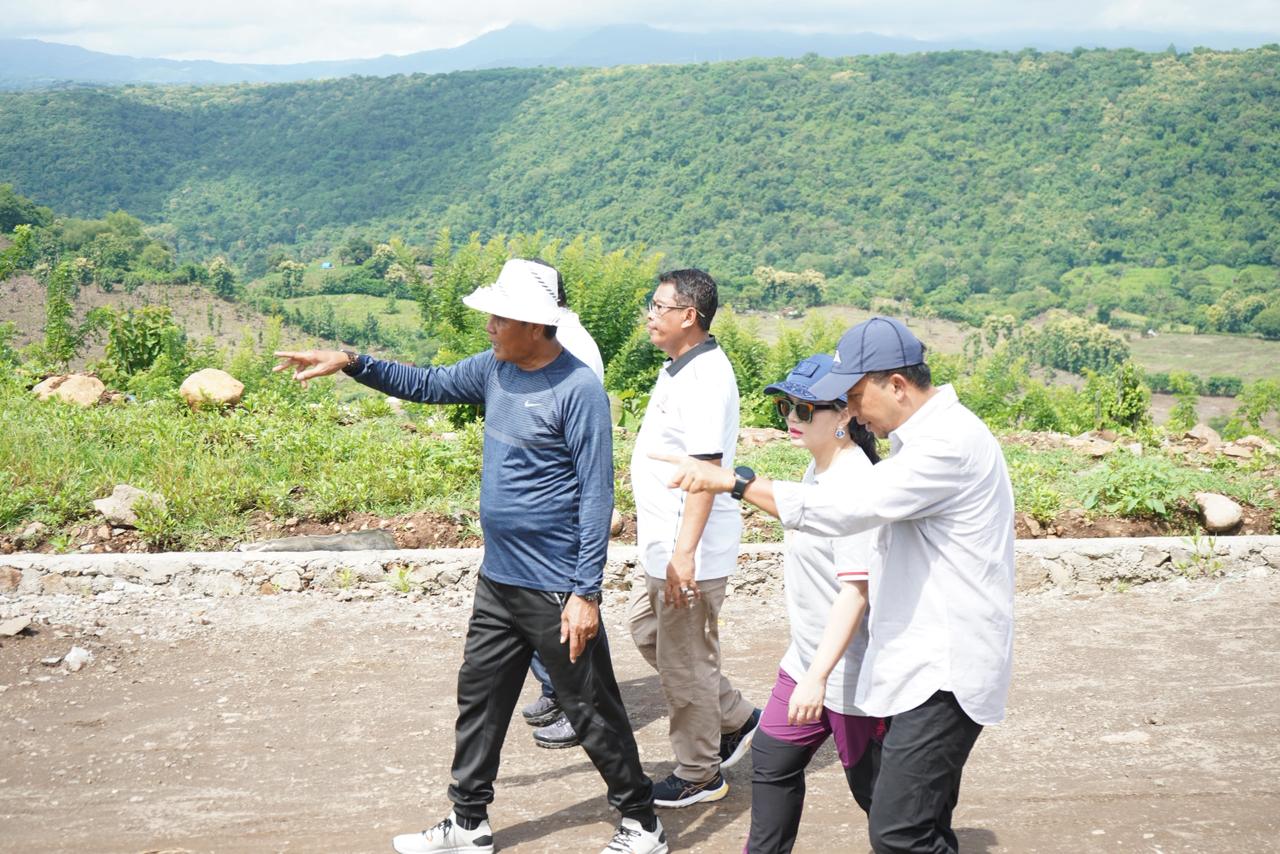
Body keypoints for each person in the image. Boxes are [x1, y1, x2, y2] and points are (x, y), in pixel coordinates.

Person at [274, 258, 667, 854]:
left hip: (555, 587)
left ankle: (643, 822)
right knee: (479, 699)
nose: (488, 324)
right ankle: (468, 823)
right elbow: (427, 385)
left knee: (590, 708)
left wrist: (586, 592)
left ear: (535, 325)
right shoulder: (495, 369)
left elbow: (596, 494)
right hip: (499, 579)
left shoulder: (578, 388)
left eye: (500, 316)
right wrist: (353, 363)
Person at [658, 316, 1015, 854]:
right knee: (919, 822)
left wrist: (735, 481)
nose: (853, 410)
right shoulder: (923, 440)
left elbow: (852, 510)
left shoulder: (946, 444)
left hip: (945, 667)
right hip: (919, 661)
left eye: (853, 395)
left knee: (900, 831)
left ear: (895, 385)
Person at [627, 268, 760, 809]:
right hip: (667, 545)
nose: (650, 315)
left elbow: (705, 475)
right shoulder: (681, 368)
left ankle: (699, 772)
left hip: (691, 550)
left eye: (660, 307)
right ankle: (733, 715)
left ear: (689, 316)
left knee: (685, 663)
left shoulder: (706, 379)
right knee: (645, 629)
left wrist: (684, 554)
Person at [745, 354, 883, 853]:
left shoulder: (854, 484)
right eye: (785, 406)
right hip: (807, 659)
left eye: (804, 410)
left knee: (881, 798)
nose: (790, 419)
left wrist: (818, 676)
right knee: (771, 758)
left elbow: (857, 590)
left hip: (850, 673)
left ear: (845, 413)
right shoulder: (818, 468)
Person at [518, 259, 604, 751]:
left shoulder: (569, 347)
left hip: (560, 502)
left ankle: (577, 705)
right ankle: (556, 690)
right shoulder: (560, 335)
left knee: (564, 610)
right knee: (537, 611)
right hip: (543, 502)